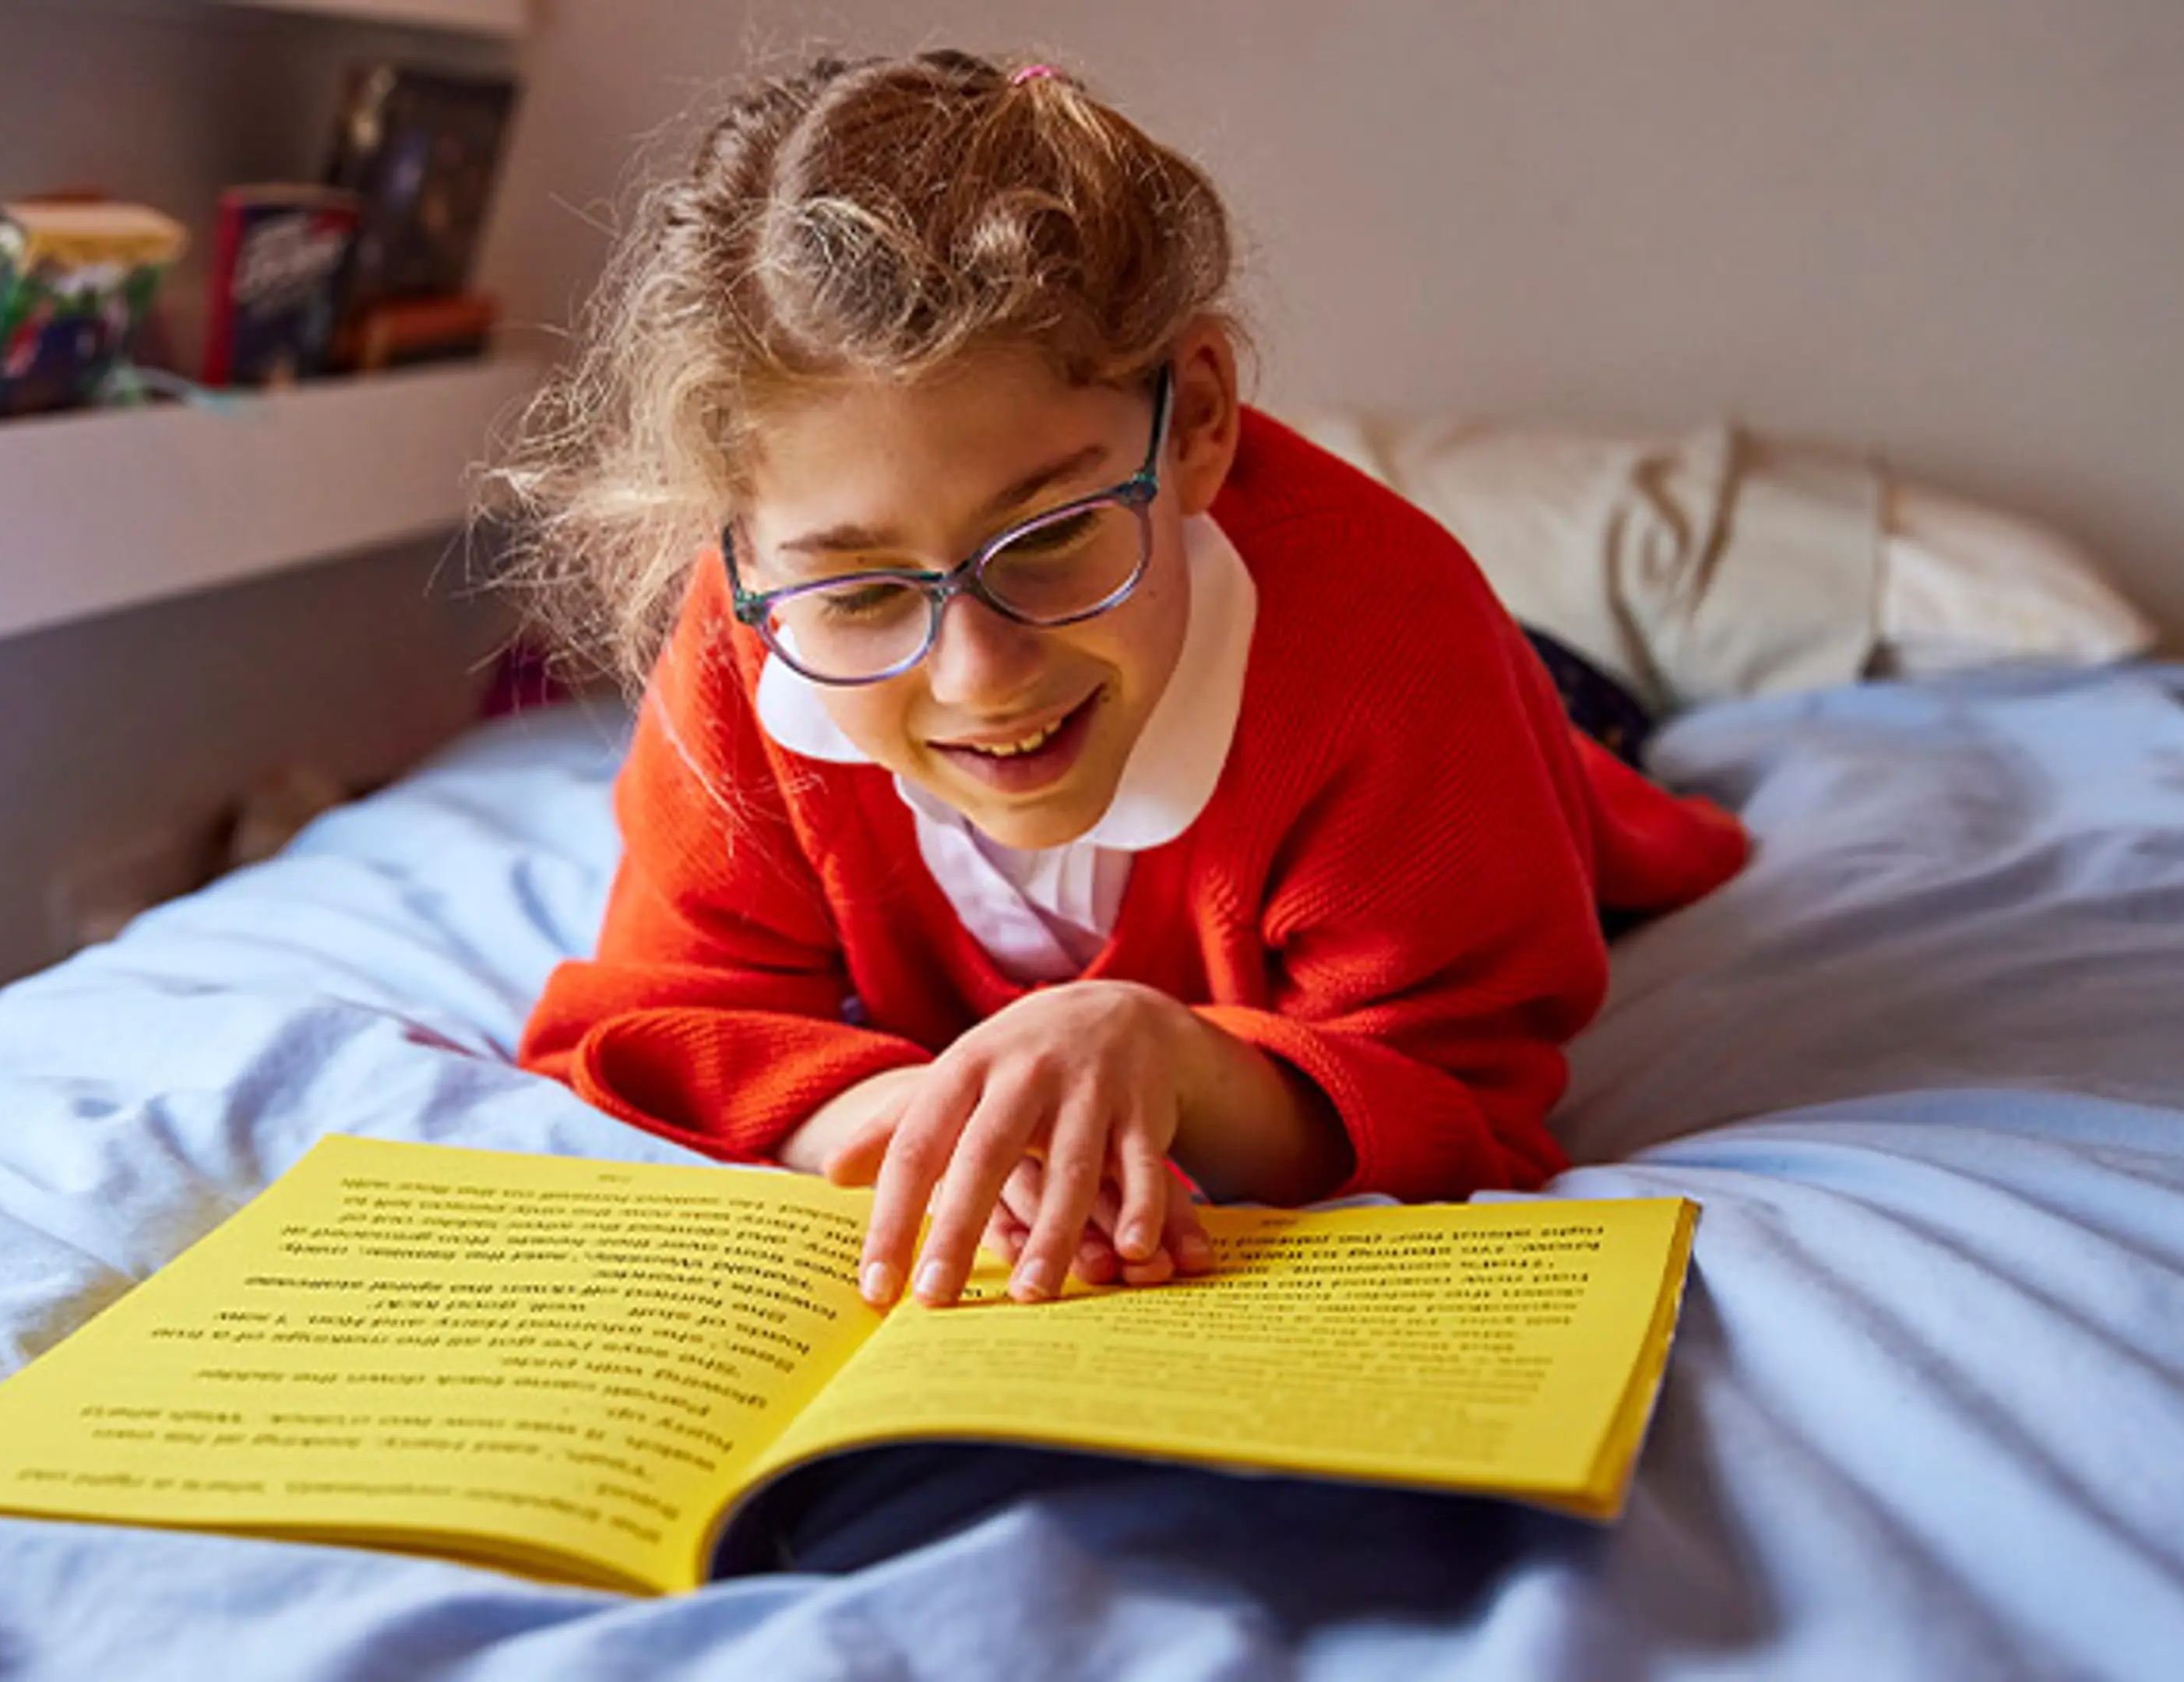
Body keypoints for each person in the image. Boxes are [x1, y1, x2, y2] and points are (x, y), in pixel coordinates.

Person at [497, 51, 1749, 1313]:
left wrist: (1187, 1066)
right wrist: (908, 1122)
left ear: (1199, 416)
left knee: (1574, 714)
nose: (979, 674)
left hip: (1527, 712)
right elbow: (655, 1020)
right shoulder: (756, 620)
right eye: (868, 593)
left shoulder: (1396, 644)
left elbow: (1462, 1089)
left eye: (1046, 538)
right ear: (746, 555)